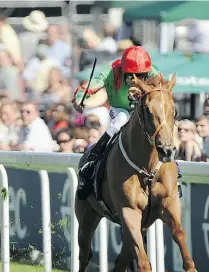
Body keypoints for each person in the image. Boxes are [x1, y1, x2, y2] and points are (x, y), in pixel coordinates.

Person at [72, 46, 181, 196]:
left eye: (141, 75)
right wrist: (79, 99)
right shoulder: (109, 71)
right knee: (122, 119)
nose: (136, 79)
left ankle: (173, 168)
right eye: (131, 75)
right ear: (123, 70)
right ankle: (94, 156)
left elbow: (163, 94)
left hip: (141, 110)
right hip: (119, 109)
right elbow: (90, 86)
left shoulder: (153, 73)